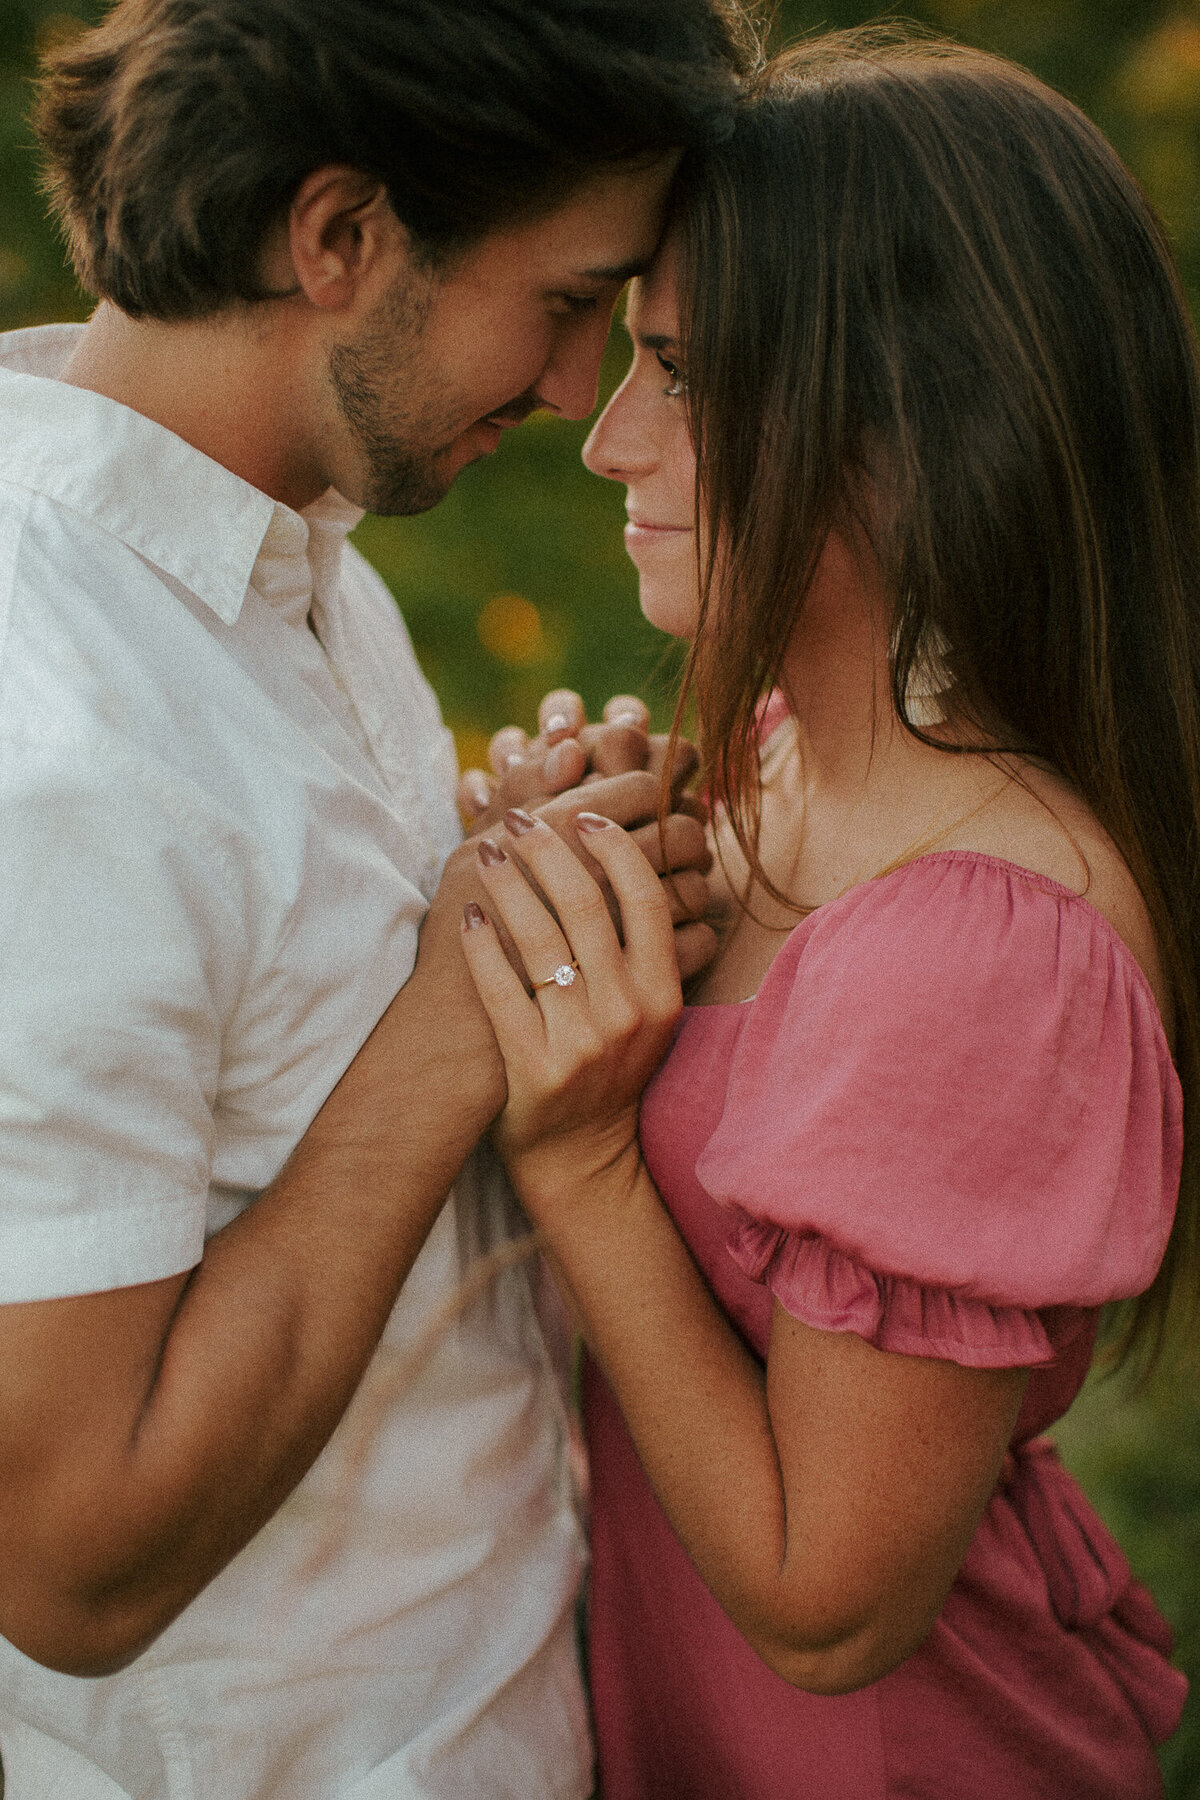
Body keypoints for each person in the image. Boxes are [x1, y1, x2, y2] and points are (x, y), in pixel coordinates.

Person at [0, 2, 743, 1795]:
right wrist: (459, 999)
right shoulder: (53, 744)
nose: (584, 390)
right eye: (567, 301)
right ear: (340, 237)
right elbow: (69, 1558)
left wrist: (523, 872)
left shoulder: (288, 560)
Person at [458, 29, 1199, 1799]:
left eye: (686, 376)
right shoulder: (785, 766)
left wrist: (580, 1160)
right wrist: (594, 884)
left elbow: (826, 1609)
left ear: (919, 407)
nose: (611, 442)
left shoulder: (977, 946)